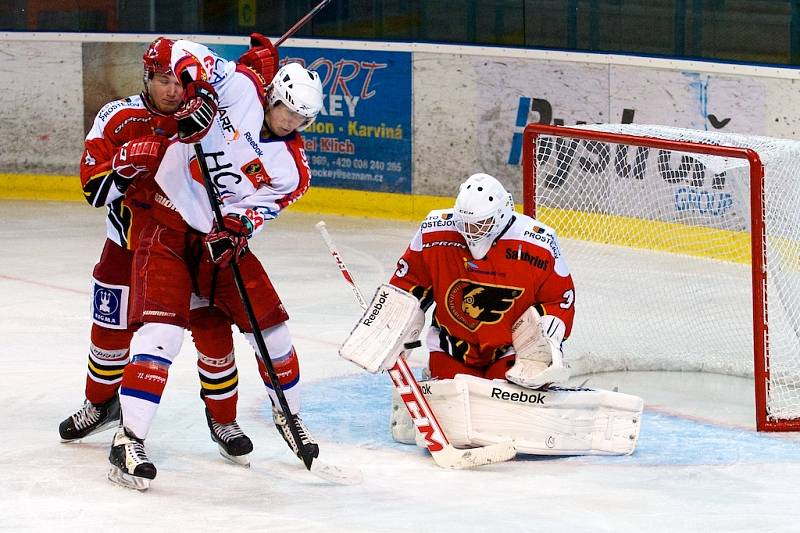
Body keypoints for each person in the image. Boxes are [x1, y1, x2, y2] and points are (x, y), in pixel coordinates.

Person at [106, 37, 324, 490]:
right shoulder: (241, 88)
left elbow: (266, 206)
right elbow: (179, 49)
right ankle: (129, 440)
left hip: (219, 242)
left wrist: (238, 226)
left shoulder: (294, 169)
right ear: (273, 97)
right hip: (167, 226)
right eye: (287, 111)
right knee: (161, 336)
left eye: (303, 119)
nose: (291, 123)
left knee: (273, 331)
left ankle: (291, 415)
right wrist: (198, 92)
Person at [60, 37, 253, 466]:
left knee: (212, 333)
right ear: (146, 78)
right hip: (126, 249)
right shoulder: (117, 117)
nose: (172, 90)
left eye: (179, 80)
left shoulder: (210, 116)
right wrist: (127, 162)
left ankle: (223, 420)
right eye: (162, 80)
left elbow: (251, 138)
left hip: (190, 250)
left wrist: (254, 75)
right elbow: (93, 190)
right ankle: (101, 404)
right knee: (108, 335)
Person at [340, 172, 575, 392]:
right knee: (451, 407)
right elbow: (410, 282)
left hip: (510, 349)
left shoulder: (539, 242)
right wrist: (392, 325)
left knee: (502, 414)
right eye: (465, 223)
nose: (471, 231)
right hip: (451, 347)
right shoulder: (435, 230)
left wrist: (552, 326)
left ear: (501, 213)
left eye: (480, 223)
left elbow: (560, 298)